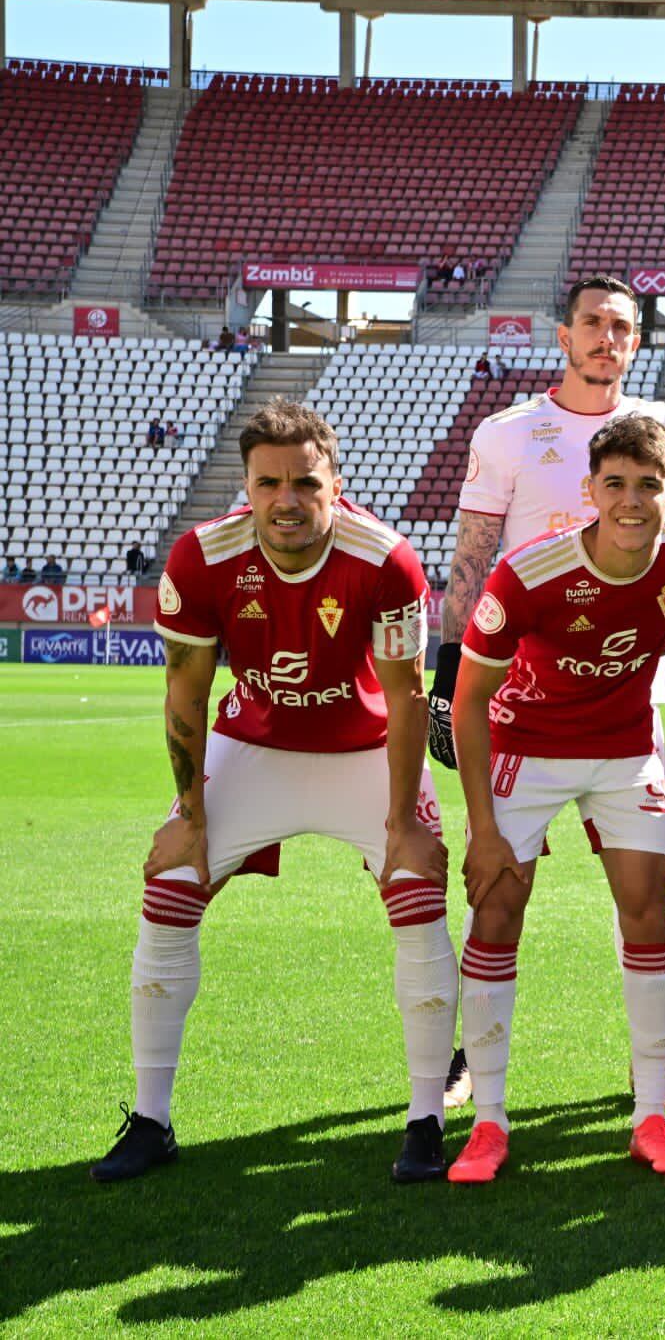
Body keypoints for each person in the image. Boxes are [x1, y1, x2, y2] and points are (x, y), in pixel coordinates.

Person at [94, 400, 452, 1185]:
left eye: (304, 482)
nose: (286, 499)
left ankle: (426, 1119)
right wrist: (189, 818)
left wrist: (403, 822)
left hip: (361, 747)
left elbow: (404, 697)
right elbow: (186, 692)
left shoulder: (386, 559)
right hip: (253, 743)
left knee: (419, 890)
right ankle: (151, 1119)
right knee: (169, 886)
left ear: (335, 483)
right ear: (245, 486)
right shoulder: (199, 557)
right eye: (269, 483)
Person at [445, 415, 665, 1185]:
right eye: (616, 485)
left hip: (624, 749)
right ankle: (489, 1121)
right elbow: (471, 700)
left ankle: (649, 1114)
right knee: (498, 906)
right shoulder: (528, 573)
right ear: (589, 491)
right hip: (527, 749)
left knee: (649, 908)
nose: (633, 501)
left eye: (649, 485)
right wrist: (480, 829)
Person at [429, 274, 665, 1111]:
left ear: (636, 341)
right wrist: (450, 673)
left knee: (643, 890)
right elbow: (475, 551)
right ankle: (467, 1060)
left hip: (631, 696)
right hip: (523, 700)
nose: (606, 338)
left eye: (621, 327)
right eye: (592, 323)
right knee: (497, 885)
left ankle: (651, 1069)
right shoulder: (511, 431)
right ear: (565, 337)